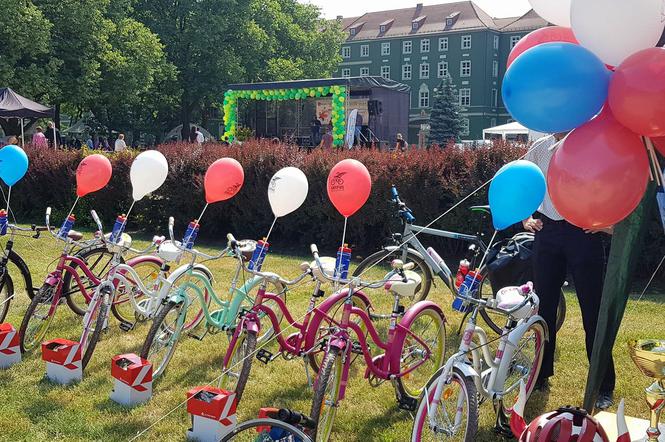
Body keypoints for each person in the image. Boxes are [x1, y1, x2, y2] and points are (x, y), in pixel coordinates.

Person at [523, 132, 615, 410]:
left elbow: (612, 183)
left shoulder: (592, 142)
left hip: (582, 232)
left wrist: (608, 223)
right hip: (547, 231)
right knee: (544, 309)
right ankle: (540, 375)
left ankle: (602, 385)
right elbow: (526, 183)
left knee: (593, 310)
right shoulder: (540, 147)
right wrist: (527, 217)